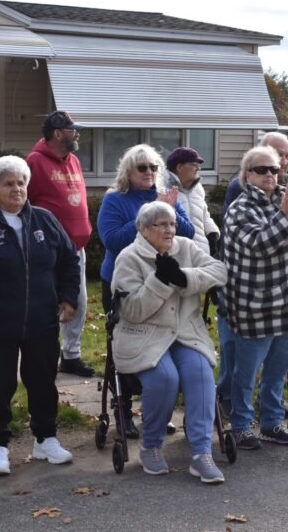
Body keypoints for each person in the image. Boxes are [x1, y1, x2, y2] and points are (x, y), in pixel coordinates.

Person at [0, 156, 81, 476]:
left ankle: (45, 438)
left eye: (21, 183)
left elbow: (68, 261)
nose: (17, 189)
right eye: (9, 184)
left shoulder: (45, 220)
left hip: (41, 317)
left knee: (42, 380)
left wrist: (67, 297)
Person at [111, 202, 228, 483]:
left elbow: (219, 271)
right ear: (143, 229)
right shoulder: (128, 258)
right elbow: (132, 311)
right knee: (165, 378)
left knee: (200, 374)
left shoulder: (186, 247)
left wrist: (183, 277)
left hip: (185, 332)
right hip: (145, 334)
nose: (169, 230)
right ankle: (150, 445)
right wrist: (160, 281)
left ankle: (201, 454)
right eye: (161, 224)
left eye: (172, 224)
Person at [224, 145, 288, 449]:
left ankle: (271, 422)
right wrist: (286, 215)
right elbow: (259, 244)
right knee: (245, 373)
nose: (269, 175)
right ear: (247, 174)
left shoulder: (287, 199)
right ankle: (240, 425)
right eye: (261, 170)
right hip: (256, 306)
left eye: (274, 169)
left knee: (277, 372)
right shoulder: (240, 208)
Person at [98, 144, 194, 437]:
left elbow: (188, 232)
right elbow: (112, 240)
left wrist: (168, 210)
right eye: (142, 168)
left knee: (162, 345)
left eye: (154, 167)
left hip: (164, 283)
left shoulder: (166, 197)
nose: (149, 173)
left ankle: (157, 409)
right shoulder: (115, 200)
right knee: (129, 344)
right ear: (128, 171)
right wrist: (146, 217)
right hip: (124, 283)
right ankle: (123, 410)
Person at [26, 111, 95, 378]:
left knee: (78, 301)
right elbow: (25, 203)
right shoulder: (34, 161)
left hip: (77, 247)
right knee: (50, 303)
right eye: (71, 129)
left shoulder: (74, 161)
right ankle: (45, 355)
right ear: (56, 133)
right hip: (50, 249)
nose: (76, 133)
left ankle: (71, 355)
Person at [165, 146, 219, 254]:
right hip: (176, 256)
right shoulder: (163, 189)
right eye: (194, 164)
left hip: (201, 253)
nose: (199, 168)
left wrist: (212, 233)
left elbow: (205, 215)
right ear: (179, 167)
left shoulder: (198, 188)